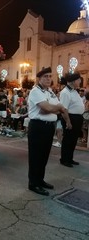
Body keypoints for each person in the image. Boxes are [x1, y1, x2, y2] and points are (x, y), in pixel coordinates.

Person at [27, 67, 71, 196]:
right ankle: (33, 184)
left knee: (44, 156)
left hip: (48, 127)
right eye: (45, 76)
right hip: (38, 127)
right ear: (39, 79)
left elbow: (60, 109)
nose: (48, 78)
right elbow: (46, 108)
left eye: (50, 76)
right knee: (36, 157)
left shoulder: (50, 92)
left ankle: (40, 180)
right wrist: (54, 108)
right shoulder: (36, 91)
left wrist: (53, 108)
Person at [59, 73, 85, 167]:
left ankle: (70, 158)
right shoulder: (65, 92)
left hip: (77, 118)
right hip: (70, 118)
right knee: (67, 140)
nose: (80, 81)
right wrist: (68, 122)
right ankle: (64, 159)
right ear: (73, 81)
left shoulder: (74, 91)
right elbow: (63, 109)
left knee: (73, 140)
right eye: (78, 80)